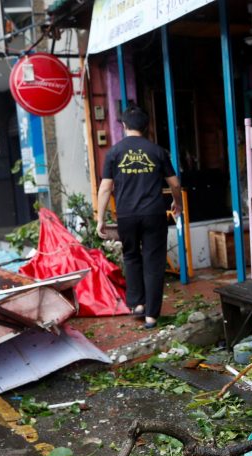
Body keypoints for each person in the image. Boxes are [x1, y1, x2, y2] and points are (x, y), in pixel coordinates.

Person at [96, 104, 183, 329]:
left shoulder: (114, 153)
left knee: (132, 256)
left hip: (126, 215)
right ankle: (151, 316)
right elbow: (174, 183)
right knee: (153, 263)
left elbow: (105, 188)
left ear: (124, 126)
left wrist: (100, 218)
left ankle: (137, 304)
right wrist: (177, 203)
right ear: (146, 127)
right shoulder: (157, 151)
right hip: (153, 213)